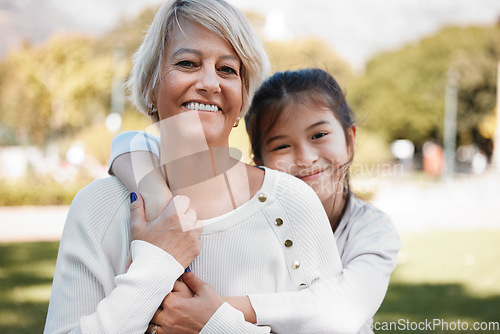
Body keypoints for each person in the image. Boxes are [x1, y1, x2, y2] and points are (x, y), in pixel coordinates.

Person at [43, 1, 342, 333]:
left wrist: (215, 326)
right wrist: (156, 264)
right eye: (187, 63)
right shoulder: (97, 208)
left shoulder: (293, 203)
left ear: (243, 98)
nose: (210, 83)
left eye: (227, 69)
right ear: (151, 84)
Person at [109, 68, 401, 333]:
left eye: (320, 134)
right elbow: (130, 142)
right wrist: (157, 196)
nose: (306, 158)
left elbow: (343, 313)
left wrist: (212, 311)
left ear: (350, 139)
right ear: (258, 163)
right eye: (282, 145)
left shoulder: (372, 230)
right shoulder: (258, 213)